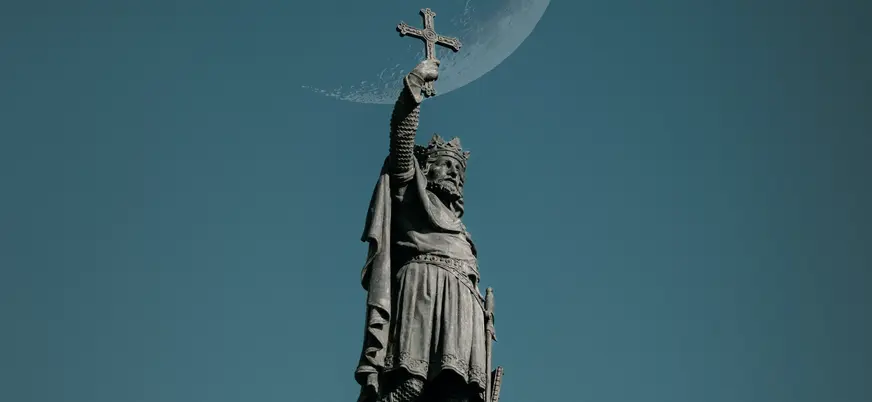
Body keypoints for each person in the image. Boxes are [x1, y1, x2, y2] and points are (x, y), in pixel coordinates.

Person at [355, 59, 489, 402]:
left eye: (458, 169)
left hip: (462, 307)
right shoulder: (411, 193)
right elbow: (401, 142)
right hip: (423, 291)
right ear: (426, 169)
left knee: (456, 395)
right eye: (445, 165)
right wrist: (412, 91)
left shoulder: (462, 230)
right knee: (410, 386)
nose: (454, 173)